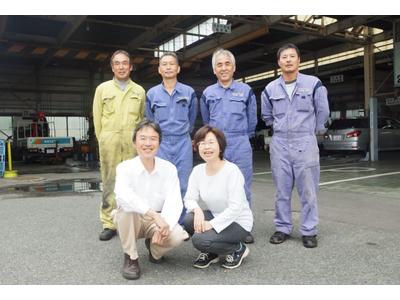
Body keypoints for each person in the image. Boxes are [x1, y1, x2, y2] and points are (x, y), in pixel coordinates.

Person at [261, 43, 330, 248]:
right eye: (284, 57)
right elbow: (266, 115)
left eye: (292, 56)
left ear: (299, 60)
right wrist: (281, 128)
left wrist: (312, 132)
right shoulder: (270, 89)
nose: (288, 60)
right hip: (280, 142)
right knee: (281, 190)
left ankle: (309, 231)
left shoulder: (314, 84)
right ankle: (282, 228)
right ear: (279, 62)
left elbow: (323, 111)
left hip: (305, 141)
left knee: (308, 190)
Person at [112, 120, 189, 280]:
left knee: (177, 235)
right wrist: (154, 215)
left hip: (158, 219)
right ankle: (131, 257)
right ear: (135, 142)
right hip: (133, 219)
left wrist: (165, 224)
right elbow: (123, 196)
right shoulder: (125, 168)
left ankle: (155, 250)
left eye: (153, 139)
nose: (148, 143)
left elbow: (174, 201)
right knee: (127, 209)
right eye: (143, 138)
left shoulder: (169, 168)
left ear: (159, 143)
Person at [200, 48, 257, 244]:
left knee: (242, 186)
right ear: (214, 70)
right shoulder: (208, 93)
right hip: (217, 143)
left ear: (234, 67)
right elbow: (206, 119)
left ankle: (243, 227)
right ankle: (223, 223)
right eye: (219, 65)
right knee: (219, 186)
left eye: (227, 64)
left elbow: (252, 120)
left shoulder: (246, 91)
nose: (223, 68)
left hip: (240, 142)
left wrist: (242, 137)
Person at [183, 125, 253, 269]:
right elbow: (189, 198)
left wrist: (211, 224)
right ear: (197, 147)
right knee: (189, 220)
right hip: (216, 215)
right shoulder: (197, 171)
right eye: (201, 143)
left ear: (220, 146)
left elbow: (236, 208)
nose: (206, 147)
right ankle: (212, 252)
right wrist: (197, 210)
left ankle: (238, 249)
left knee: (199, 240)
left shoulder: (231, 171)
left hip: (238, 221)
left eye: (210, 142)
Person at [93, 50, 145, 241]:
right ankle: (109, 222)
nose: (121, 66)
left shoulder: (139, 91)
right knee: (109, 182)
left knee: (133, 183)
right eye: (117, 63)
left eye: (125, 63)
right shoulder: (102, 89)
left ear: (131, 66)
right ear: (112, 67)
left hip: (131, 144)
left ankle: (131, 220)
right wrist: (104, 139)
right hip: (109, 143)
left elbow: (141, 119)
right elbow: (97, 119)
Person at [145, 52, 198, 224]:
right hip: (162, 144)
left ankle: (181, 223)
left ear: (178, 68)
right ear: (159, 69)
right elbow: (149, 120)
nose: (168, 67)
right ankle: (163, 223)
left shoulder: (188, 92)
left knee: (183, 184)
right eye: (164, 64)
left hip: (183, 142)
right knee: (161, 184)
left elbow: (192, 118)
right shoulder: (152, 94)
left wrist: (184, 133)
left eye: (171, 64)